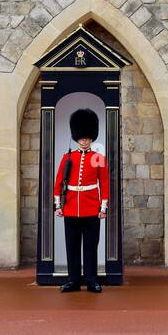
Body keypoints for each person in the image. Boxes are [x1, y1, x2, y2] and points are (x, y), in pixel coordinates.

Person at [54, 108, 109, 293]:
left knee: (91, 246)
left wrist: (103, 207)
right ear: (77, 137)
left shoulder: (97, 158)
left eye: (87, 138)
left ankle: (92, 279)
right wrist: (58, 205)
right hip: (71, 207)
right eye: (82, 138)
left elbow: (104, 183)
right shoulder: (67, 157)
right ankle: (74, 280)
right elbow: (59, 181)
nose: (84, 141)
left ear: (92, 137)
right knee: (72, 246)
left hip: (92, 207)